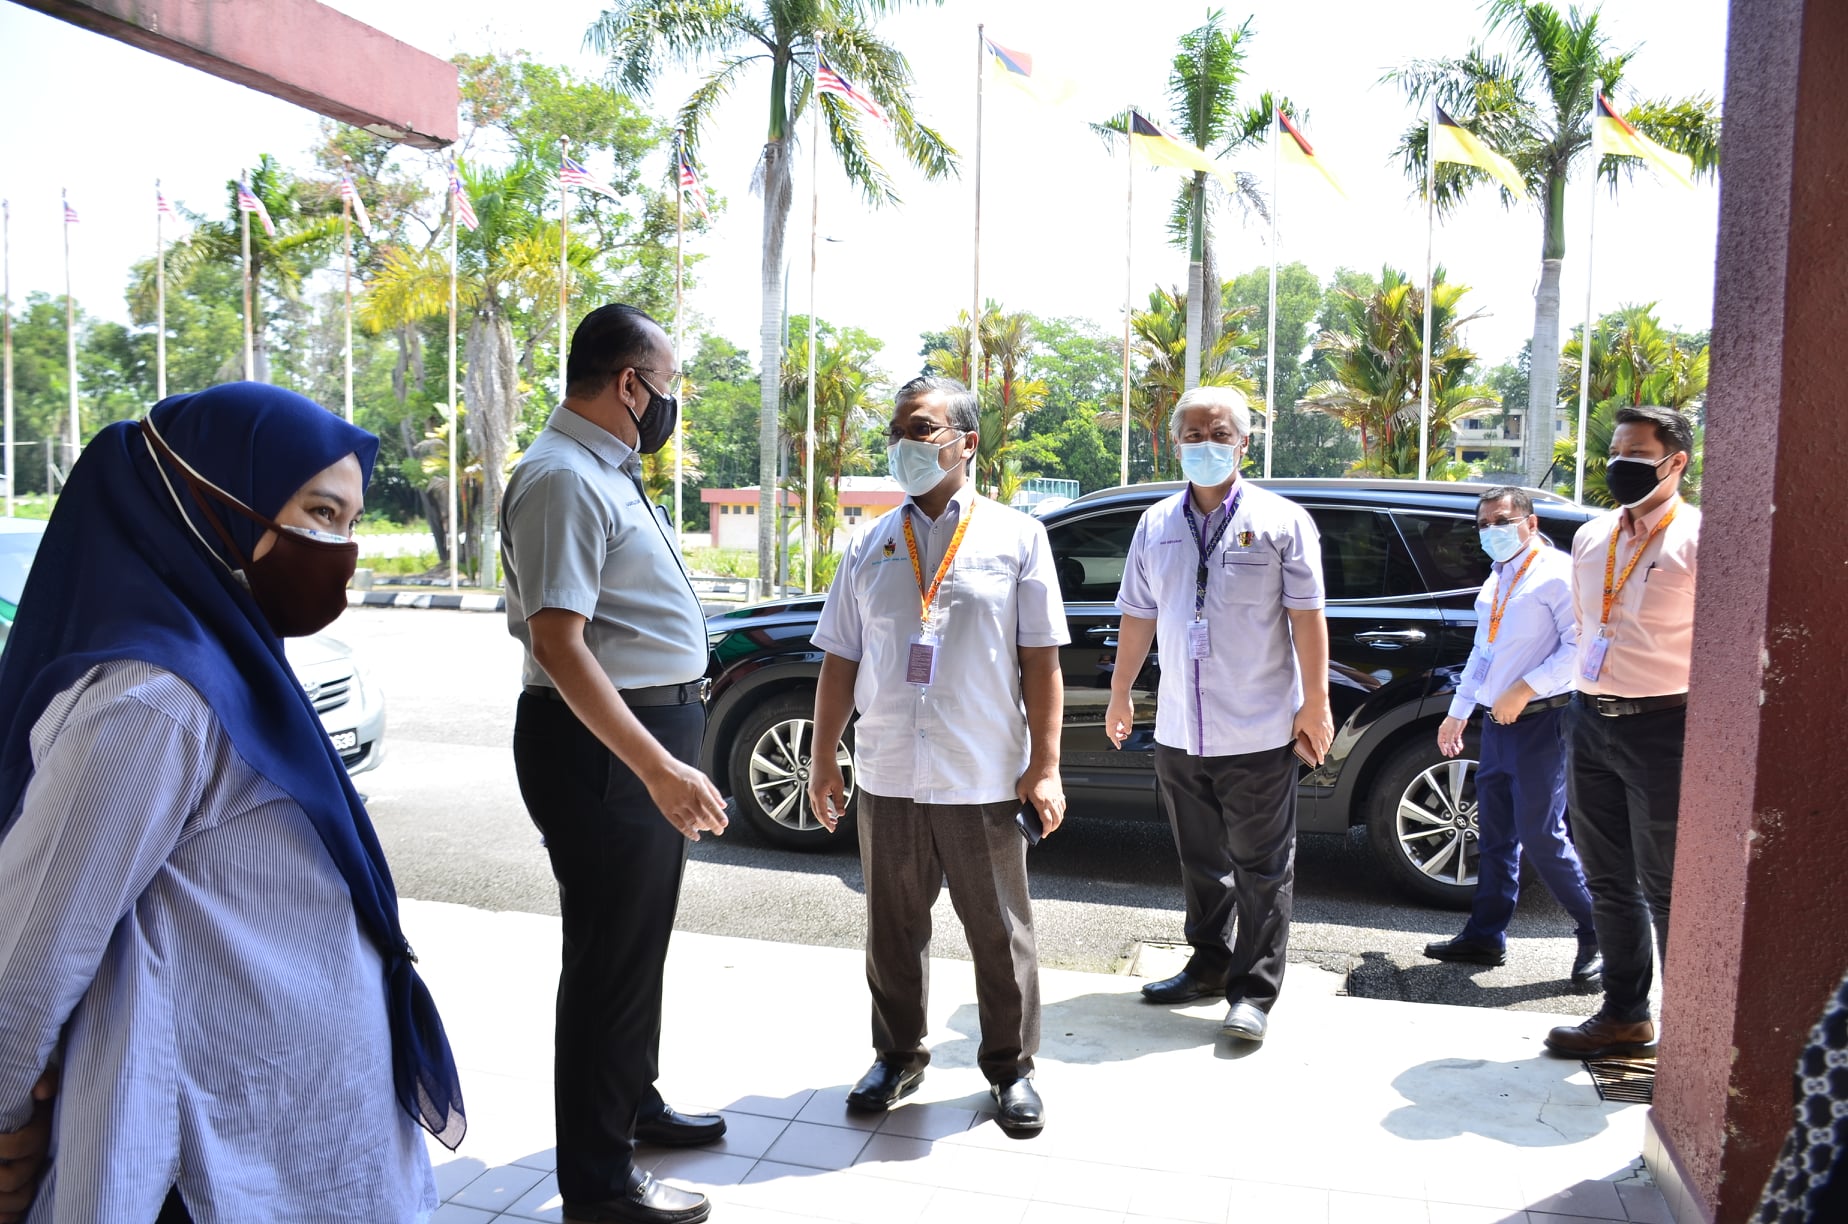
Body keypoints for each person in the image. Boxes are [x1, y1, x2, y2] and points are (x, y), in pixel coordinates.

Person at [0, 383, 464, 1223]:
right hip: (212, 1161)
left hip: (292, 1130)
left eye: (349, 522)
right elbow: (30, 950)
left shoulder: (233, 658)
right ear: (210, 497)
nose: (340, 549)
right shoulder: (151, 700)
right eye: (319, 513)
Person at [502, 304, 729, 1224]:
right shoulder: (561, 476)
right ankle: (599, 1187)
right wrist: (657, 769)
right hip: (605, 747)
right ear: (630, 383)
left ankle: (630, 1101)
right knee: (607, 960)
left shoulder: (605, 468)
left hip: (639, 739)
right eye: (668, 387)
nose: (671, 405)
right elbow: (561, 644)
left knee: (635, 946)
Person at [806, 375, 1068, 1137]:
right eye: (897, 427)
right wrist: (826, 758)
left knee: (998, 929)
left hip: (981, 771)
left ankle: (1010, 1067)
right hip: (888, 771)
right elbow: (839, 659)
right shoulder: (869, 541)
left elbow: (1041, 662)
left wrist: (1044, 765)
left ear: (965, 442)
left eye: (921, 428)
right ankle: (897, 1056)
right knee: (892, 927)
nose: (904, 442)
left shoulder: (1018, 537)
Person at [1104, 386, 1332, 1043]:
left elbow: (1308, 618)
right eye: (1194, 434)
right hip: (1180, 726)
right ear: (1174, 443)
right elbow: (1137, 614)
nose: (1207, 444)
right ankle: (1208, 963)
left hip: (1259, 726)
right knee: (1200, 862)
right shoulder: (1155, 524)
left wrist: (1314, 702)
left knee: (1262, 867)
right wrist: (1122, 692)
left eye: (1220, 433)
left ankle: (1253, 992)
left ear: (1244, 442)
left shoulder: (1284, 521)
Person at [1544, 404, 1701, 1059]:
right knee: (1608, 878)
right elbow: (1585, 626)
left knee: (1666, 887)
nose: (1619, 466)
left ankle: (1689, 1040)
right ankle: (1625, 1015)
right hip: (1590, 721)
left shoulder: (1700, 539)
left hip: (1666, 727)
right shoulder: (1593, 537)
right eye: (1615, 451)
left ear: (1676, 462)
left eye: (1636, 455)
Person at [1425, 487, 1602, 982]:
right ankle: (1485, 935)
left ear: (1530, 522)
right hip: (1498, 724)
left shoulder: (1557, 573)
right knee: (1496, 833)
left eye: (1500, 520)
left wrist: (1525, 689)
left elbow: (1580, 648)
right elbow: (1483, 654)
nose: (1490, 531)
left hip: (1542, 721)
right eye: (1482, 523)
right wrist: (1458, 712)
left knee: (1543, 835)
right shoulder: (1497, 579)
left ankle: (1598, 932)